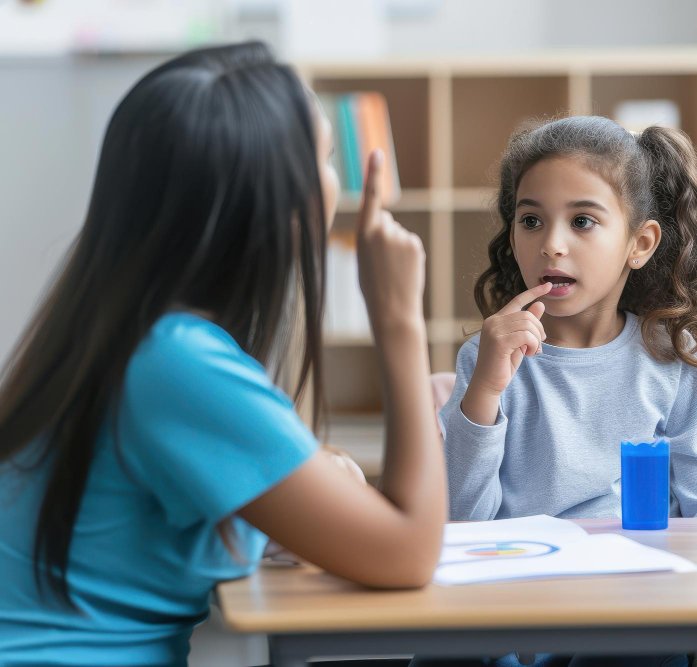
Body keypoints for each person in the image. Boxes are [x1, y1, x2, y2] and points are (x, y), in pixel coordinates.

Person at [0, 42, 445, 667]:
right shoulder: (175, 360)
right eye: (321, 156)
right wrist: (398, 319)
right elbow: (408, 555)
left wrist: (315, 481)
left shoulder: (125, 328)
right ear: (267, 200)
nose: (334, 179)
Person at [438, 116, 697, 667]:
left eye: (582, 221)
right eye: (531, 220)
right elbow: (462, 526)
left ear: (640, 243)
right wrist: (486, 390)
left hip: (631, 610)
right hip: (515, 615)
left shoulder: (671, 360)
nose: (551, 244)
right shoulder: (487, 360)